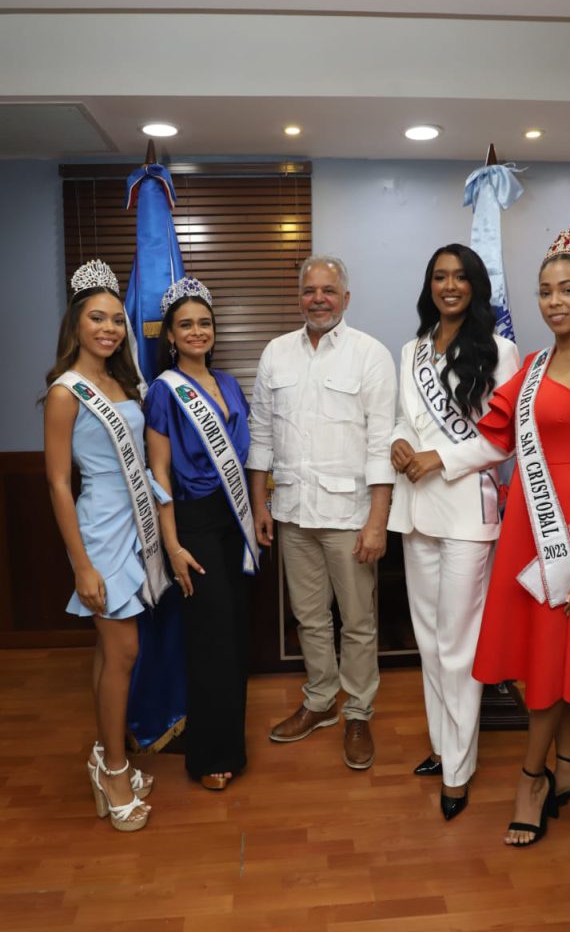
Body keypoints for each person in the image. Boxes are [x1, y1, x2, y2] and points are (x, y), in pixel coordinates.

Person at [440, 225, 570, 846]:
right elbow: (495, 434)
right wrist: (426, 452)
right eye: (546, 291)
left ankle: (533, 778)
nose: (555, 301)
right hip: (529, 518)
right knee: (548, 653)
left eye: (568, 289)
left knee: (556, 652)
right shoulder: (533, 364)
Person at [247, 256, 397, 770]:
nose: (318, 298)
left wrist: (377, 520)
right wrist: (259, 505)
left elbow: (382, 444)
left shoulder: (370, 355)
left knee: (357, 621)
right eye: (309, 290)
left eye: (329, 290)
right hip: (292, 512)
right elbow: (261, 434)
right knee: (309, 617)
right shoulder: (275, 353)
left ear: (346, 298)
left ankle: (357, 712)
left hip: (350, 517)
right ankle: (320, 702)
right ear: (299, 297)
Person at [388, 243, 520, 820]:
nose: (449, 286)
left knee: (457, 647)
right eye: (439, 277)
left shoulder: (501, 350)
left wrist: (437, 458)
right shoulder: (411, 350)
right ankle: (444, 747)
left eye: (460, 277)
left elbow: (500, 439)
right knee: (428, 641)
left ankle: (459, 772)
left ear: (475, 286)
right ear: (429, 285)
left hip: (468, 512)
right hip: (417, 509)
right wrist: (398, 441)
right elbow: (402, 418)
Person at [44, 259, 170, 832]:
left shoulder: (124, 382)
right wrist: (81, 566)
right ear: (77, 322)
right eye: (97, 318)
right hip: (99, 530)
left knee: (109, 654)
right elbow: (57, 483)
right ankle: (115, 768)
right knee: (122, 653)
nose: (109, 329)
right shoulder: (66, 391)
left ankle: (104, 756)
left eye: (117, 320)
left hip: (136, 524)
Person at [144, 276, 258, 790]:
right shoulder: (164, 394)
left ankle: (231, 743)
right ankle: (209, 753)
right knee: (210, 637)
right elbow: (159, 475)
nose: (197, 332)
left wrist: (258, 511)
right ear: (169, 334)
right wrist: (172, 545)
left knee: (235, 634)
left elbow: (249, 454)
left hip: (234, 521)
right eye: (185, 324)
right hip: (192, 522)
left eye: (204, 323)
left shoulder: (230, 384)